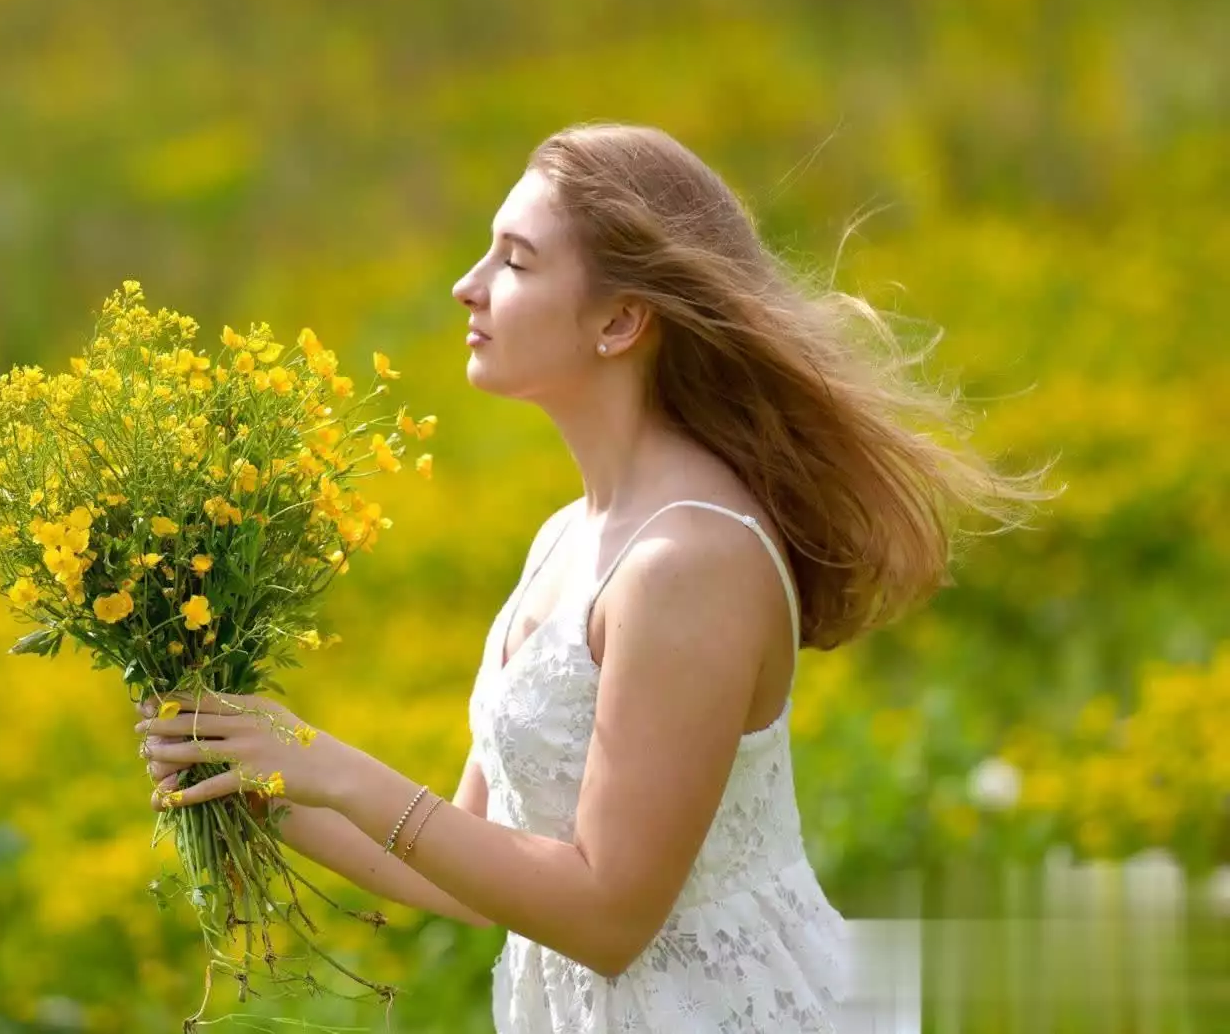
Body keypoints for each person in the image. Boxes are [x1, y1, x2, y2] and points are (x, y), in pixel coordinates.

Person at [136, 122, 1039, 1032]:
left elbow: (609, 917)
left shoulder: (688, 563)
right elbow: (469, 864)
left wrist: (328, 763)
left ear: (620, 320)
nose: (467, 285)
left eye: (516, 261)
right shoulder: (568, 538)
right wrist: (254, 791)